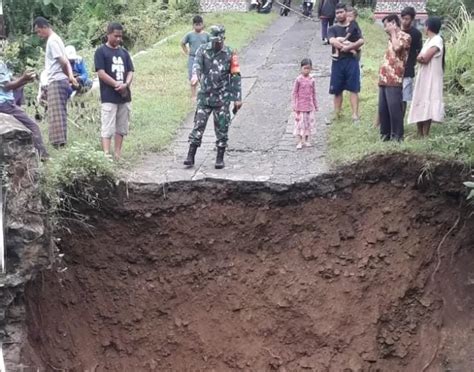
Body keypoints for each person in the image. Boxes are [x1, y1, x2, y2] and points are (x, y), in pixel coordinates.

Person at [183, 25, 242, 170]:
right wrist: (195, 76)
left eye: (220, 41)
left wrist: (237, 98)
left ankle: (219, 158)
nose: (218, 43)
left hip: (222, 97)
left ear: (224, 39)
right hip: (205, 96)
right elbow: (196, 65)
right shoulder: (202, 50)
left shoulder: (230, 53)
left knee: (222, 127)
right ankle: (190, 156)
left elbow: (235, 76)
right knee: (198, 125)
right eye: (215, 41)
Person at [33, 17, 78, 148]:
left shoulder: (52, 41)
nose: (38, 35)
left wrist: (69, 76)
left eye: (38, 31)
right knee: (59, 112)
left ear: (44, 27)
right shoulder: (56, 39)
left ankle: (58, 144)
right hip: (60, 79)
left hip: (57, 81)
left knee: (55, 114)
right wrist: (69, 76)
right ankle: (61, 142)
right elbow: (66, 62)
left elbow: (63, 62)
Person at [94, 22, 134, 160]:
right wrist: (116, 84)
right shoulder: (101, 52)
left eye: (120, 37)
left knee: (121, 127)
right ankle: (106, 154)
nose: (118, 39)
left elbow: (130, 71)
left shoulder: (124, 53)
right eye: (116, 36)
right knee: (107, 126)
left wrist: (126, 84)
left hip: (124, 96)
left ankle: (117, 154)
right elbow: (101, 72)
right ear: (108, 34)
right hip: (109, 96)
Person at [0, 62, 49, 159]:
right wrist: (23, 78)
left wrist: (25, 80)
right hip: (4, 104)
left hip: (6, 103)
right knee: (33, 126)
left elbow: (12, 85)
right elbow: (7, 86)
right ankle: (43, 155)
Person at [327, 3, 364, 124]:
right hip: (337, 63)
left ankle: (355, 115)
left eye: (341, 12)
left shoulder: (354, 26)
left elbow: (361, 40)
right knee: (337, 90)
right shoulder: (332, 28)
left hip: (352, 62)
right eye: (337, 13)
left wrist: (350, 47)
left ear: (346, 12)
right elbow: (332, 41)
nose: (339, 15)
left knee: (354, 89)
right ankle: (337, 114)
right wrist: (347, 46)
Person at [408, 17, 445, 138]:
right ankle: (419, 132)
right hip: (424, 75)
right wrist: (419, 57)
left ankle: (425, 133)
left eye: (425, 25)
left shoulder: (437, 40)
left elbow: (424, 58)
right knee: (420, 99)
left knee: (428, 100)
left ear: (428, 27)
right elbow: (421, 57)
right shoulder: (429, 41)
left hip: (432, 77)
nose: (424, 27)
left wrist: (418, 57)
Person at [378, 14, 411, 142]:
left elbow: (398, 48)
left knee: (394, 109)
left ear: (393, 23)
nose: (385, 28)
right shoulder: (390, 38)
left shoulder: (405, 36)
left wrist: (393, 32)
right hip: (384, 77)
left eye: (386, 24)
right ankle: (385, 135)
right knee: (383, 109)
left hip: (395, 78)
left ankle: (397, 136)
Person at [400, 6, 423, 120]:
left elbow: (419, 51)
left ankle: (400, 121)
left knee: (404, 98)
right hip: (394, 68)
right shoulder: (396, 31)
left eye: (407, 19)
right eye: (403, 18)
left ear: (412, 19)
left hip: (408, 68)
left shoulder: (416, 34)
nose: (404, 21)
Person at [181, 15, 210, 101]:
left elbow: (211, 45)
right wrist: (187, 52)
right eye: (196, 25)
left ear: (203, 24)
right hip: (193, 58)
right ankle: (193, 96)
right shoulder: (189, 35)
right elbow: (182, 43)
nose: (198, 26)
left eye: (200, 24)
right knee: (193, 76)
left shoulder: (207, 35)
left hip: (204, 58)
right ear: (193, 25)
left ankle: (205, 93)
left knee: (205, 76)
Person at [292, 58, 318, 149]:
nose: (306, 70)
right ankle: (299, 141)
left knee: (308, 124)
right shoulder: (298, 80)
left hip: (309, 106)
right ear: (301, 68)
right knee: (300, 124)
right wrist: (295, 105)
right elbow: (294, 93)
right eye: (305, 68)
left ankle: (306, 140)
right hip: (300, 106)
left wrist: (315, 105)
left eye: (308, 68)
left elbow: (314, 93)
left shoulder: (312, 80)